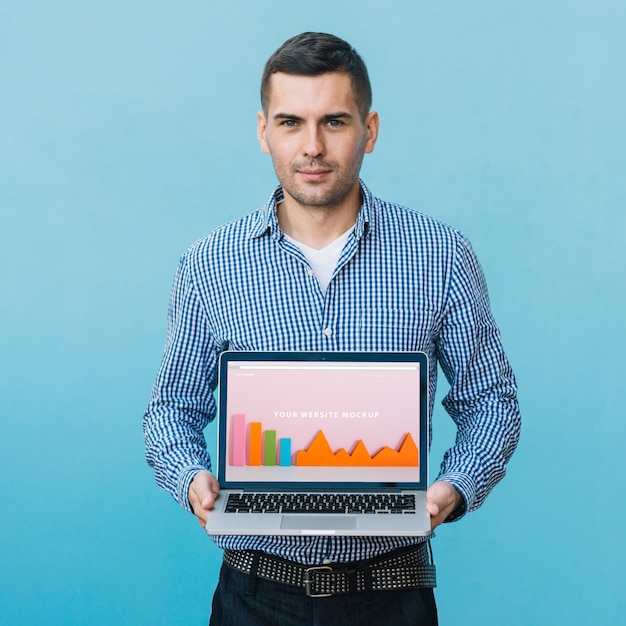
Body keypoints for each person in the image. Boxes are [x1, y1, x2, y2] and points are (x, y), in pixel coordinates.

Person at [143, 31, 521, 626]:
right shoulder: (209, 263)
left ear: (369, 130)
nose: (312, 147)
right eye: (291, 122)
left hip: (392, 592)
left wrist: (453, 489)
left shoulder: (440, 254)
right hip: (254, 594)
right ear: (263, 131)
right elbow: (170, 407)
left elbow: (492, 402)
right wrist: (192, 479)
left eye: (335, 122)